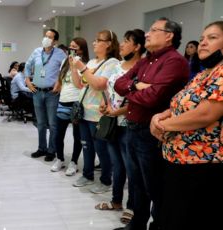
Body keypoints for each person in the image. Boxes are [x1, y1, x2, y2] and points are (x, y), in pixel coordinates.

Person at [114, 17, 189, 230]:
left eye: (154, 30)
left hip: (152, 132)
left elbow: (153, 99)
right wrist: (138, 85)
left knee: (154, 186)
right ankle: (137, 225)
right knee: (137, 183)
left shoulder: (174, 61)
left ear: (169, 36)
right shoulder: (146, 60)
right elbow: (119, 84)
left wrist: (135, 90)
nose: (147, 34)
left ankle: (157, 226)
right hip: (133, 127)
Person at [150, 20, 223, 230]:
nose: (203, 43)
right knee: (170, 215)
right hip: (177, 158)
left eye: (212, 38)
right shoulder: (202, 74)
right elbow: (179, 104)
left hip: (201, 163)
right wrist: (160, 116)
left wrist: (163, 125)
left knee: (188, 219)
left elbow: (205, 114)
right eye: (201, 39)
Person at [94, 29, 146, 226]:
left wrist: (119, 111)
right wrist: (105, 105)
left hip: (129, 124)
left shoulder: (142, 68)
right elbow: (108, 90)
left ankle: (132, 207)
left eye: (127, 41)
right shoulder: (119, 66)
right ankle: (116, 201)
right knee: (117, 165)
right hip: (112, 121)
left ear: (137, 46)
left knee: (132, 168)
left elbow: (139, 98)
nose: (122, 45)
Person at [71, 30, 120, 194]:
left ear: (109, 44)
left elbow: (100, 84)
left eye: (99, 40)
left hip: (98, 113)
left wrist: (82, 68)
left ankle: (106, 180)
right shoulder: (92, 62)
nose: (94, 43)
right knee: (86, 146)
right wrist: (73, 67)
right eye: (95, 40)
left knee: (101, 149)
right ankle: (87, 174)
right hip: (84, 111)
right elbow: (79, 84)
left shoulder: (112, 63)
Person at [25, 29, 67, 162]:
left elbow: (66, 69)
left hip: (52, 93)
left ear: (55, 41)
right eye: (45, 36)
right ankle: (41, 148)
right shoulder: (37, 51)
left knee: (53, 124)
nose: (46, 39)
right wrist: (27, 81)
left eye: (49, 37)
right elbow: (27, 65)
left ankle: (51, 150)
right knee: (41, 123)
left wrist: (60, 82)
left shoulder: (60, 53)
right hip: (37, 92)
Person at [50, 37, 89, 176]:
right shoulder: (64, 62)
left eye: (75, 47)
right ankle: (59, 158)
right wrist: (55, 89)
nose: (71, 49)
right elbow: (61, 80)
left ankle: (73, 162)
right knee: (57, 134)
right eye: (70, 46)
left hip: (76, 103)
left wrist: (74, 65)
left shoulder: (84, 64)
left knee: (77, 135)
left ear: (81, 49)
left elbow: (79, 84)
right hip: (63, 101)